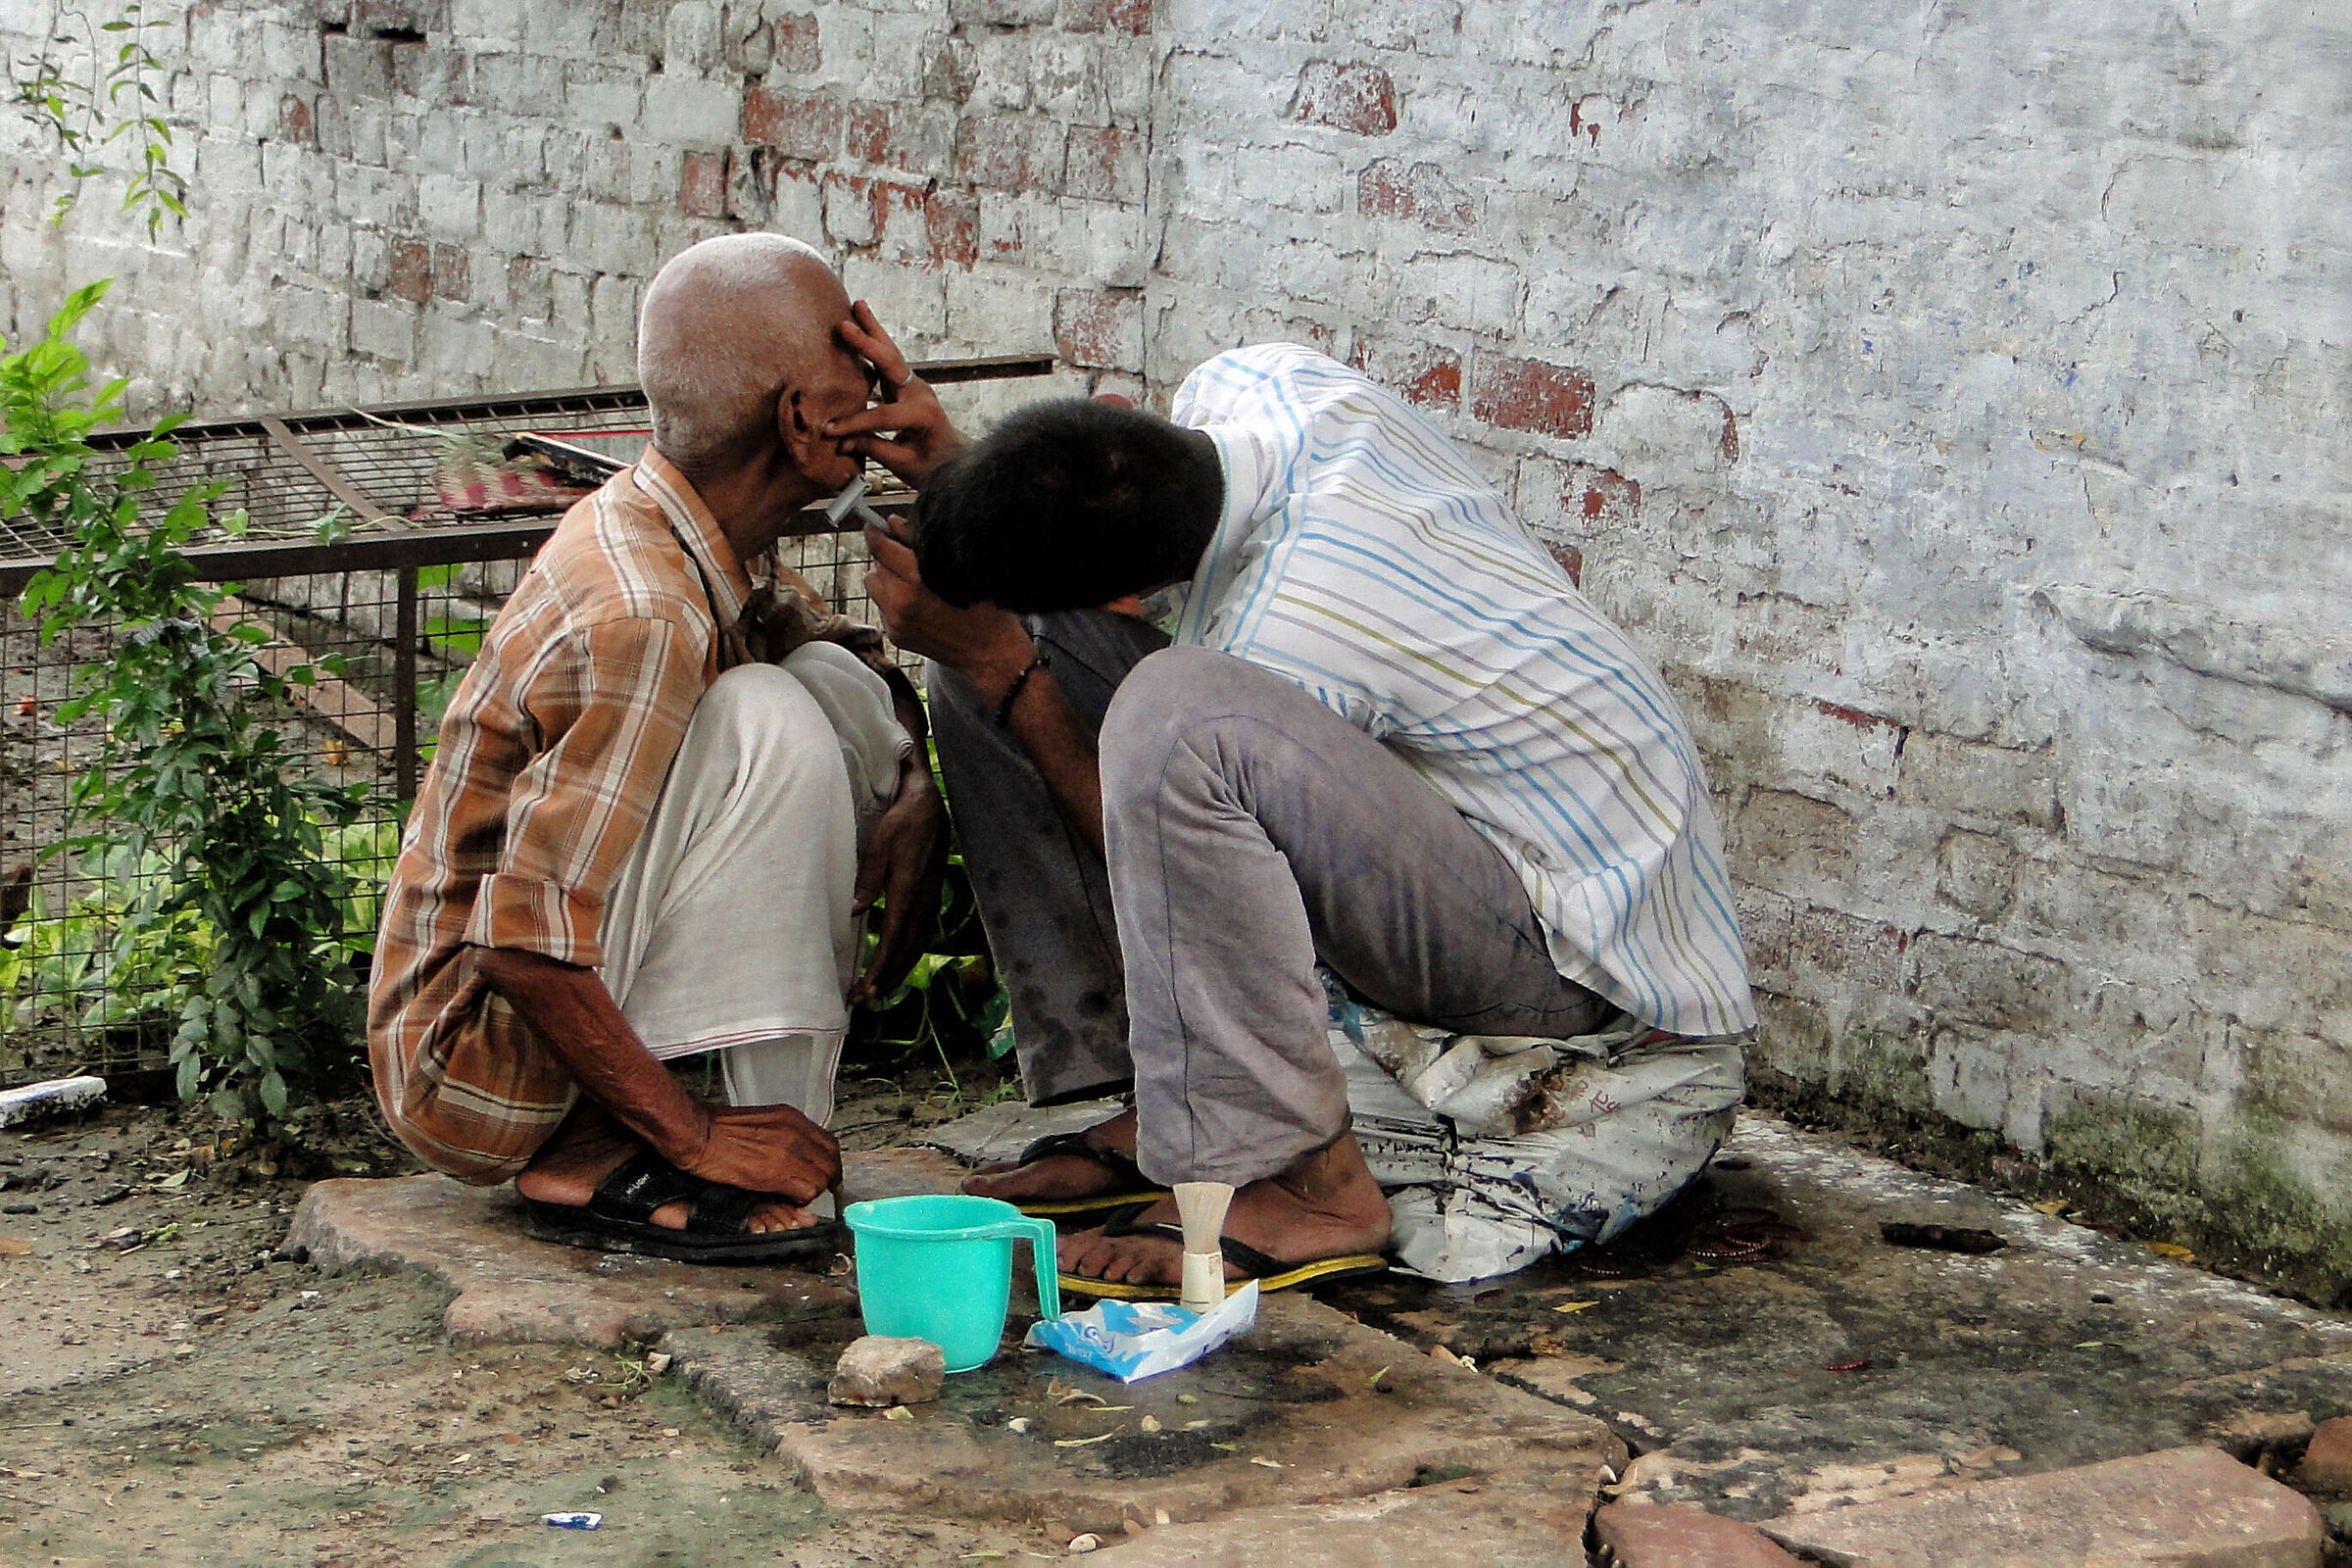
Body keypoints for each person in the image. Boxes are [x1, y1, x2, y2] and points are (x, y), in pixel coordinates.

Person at [846, 343, 1755, 1295]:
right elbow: (1097, 466)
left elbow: (1184, 875)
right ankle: (1157, 1100)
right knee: (1012, 648)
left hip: (1570, 959)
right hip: (1473, 830)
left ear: (1122, 593)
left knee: (1131, 698)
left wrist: (1002, 668)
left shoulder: (1292, 635)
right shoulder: (1259, 386)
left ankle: (1321, 1185)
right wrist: (967, 473)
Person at [368, 234, 955, 1262]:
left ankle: (753, 1133)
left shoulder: (687, 524)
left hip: (529, 987)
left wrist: (913, 786)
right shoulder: (642, 613)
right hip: (473, 1068)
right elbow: (520, 937)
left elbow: (832, 648)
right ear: (800, 419)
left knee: (825, 684)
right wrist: (696, 1136)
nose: (877, 377)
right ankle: (657, 1148)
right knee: (771, 722)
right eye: (853, 364)